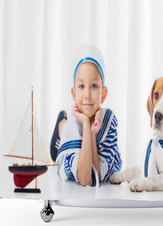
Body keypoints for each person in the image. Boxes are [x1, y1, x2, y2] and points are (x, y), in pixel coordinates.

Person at [51, 44, 122, 186]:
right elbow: (85, 179)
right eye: (81, 86)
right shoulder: (74, 123)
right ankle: (61, 126)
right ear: (74, 93)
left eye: (94, 86)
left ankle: (61, 126)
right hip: (73, 123)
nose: (87, 95)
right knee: (67, 127)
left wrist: (92, 133)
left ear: (103, 93)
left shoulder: (109, 120)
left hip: (96, 132)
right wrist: (84, 122)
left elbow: (96, 175)